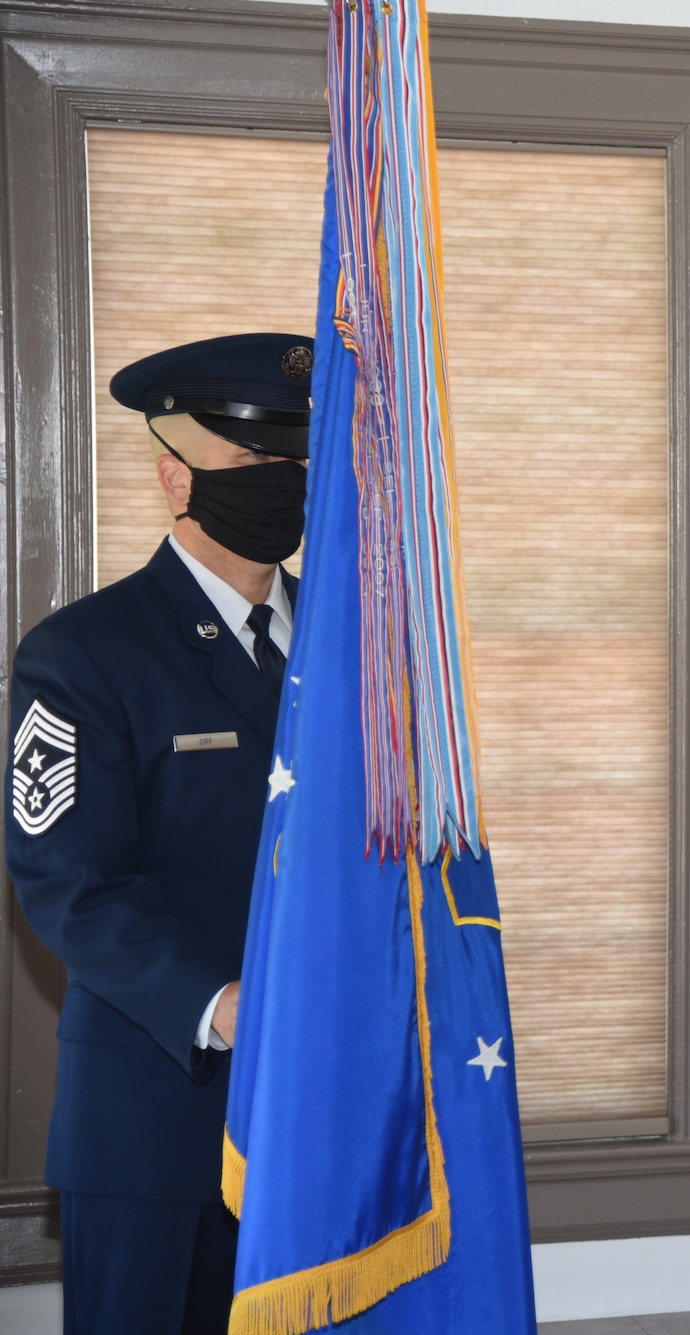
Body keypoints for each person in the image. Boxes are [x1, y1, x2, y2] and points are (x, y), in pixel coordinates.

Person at [6, 332, 313, 1333]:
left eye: (297, 467)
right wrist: (222, 1006)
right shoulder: (83, 655)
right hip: (158, 1115)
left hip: (325, 1108)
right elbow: (68, 883)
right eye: (254, 464)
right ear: (174, 474)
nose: (283, 486)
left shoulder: (358, 651)